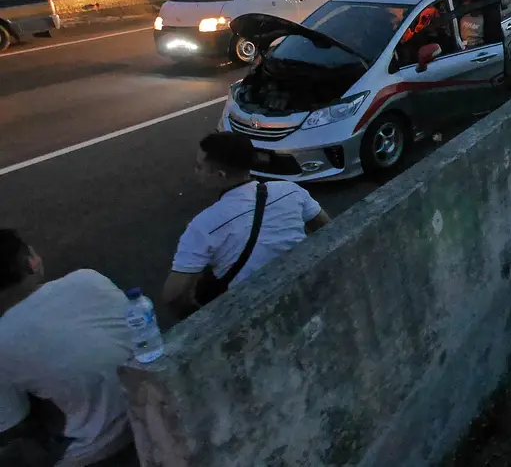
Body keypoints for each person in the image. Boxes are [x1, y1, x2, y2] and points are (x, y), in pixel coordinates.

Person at [0, 229, 134, 466]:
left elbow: (15, 425)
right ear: (30, 263)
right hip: (152, 407)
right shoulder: (87, 278)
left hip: (98, 448)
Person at [162, 133, 330, 320]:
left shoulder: (203, 226)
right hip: (304, 290)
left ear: (220, 175)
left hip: (253, 313)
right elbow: (325, 227)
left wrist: (196, 317)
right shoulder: (290, 190)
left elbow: (173, 295)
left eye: (199, 166)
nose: (196, 171)